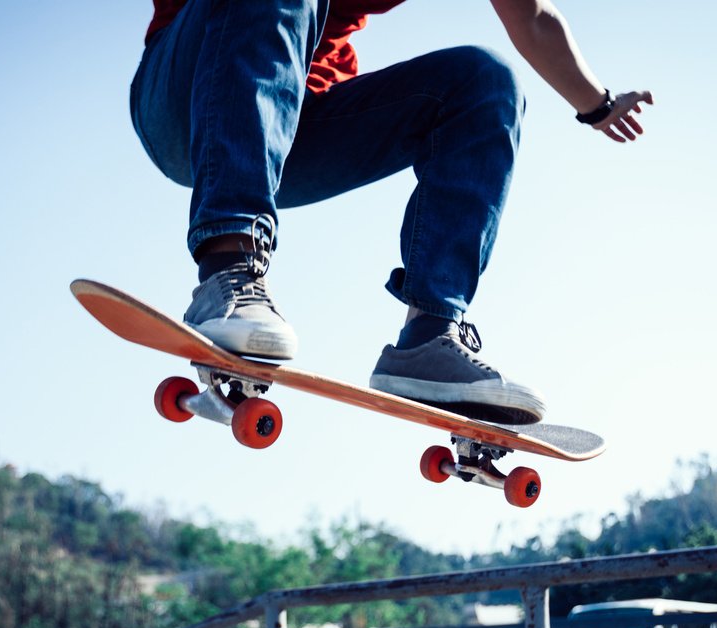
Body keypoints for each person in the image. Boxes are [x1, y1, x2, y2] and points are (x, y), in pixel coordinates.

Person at [130, 0, 652, 424]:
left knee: (484, 81)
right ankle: (229, 274)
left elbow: (532, 16)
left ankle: (430, 336)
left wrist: (598, 105)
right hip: (187, 92)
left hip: (298, 127)